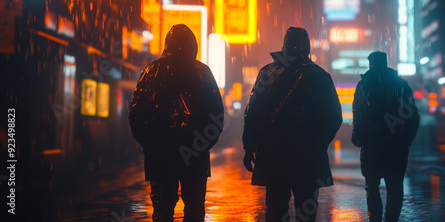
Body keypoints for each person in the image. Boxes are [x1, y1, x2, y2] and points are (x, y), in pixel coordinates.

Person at [243, 27, 343, 222]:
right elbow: (334, 117)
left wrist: (249, 147)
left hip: (274, 154)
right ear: (307, 47)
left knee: (275, 208)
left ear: (284, 45)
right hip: (308, 155)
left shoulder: (267, 73)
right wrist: (319, 143)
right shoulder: (320, 76)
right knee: (306, 208)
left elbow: (253, 112)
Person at [129, 24, 223, 222]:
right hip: (195, 155)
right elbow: (216, 115)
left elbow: (136, 114)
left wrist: (151, 145)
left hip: (160, 155)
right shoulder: (202, 72)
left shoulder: (151, 71)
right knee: (195, 208)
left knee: (162, 209)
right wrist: (201, 145)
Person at [351, 51, 420, 222]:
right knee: (395, 186)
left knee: (372, 186)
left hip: (372, 144)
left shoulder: (364, 84)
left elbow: (358, 113)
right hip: (396, 144)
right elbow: (413, 114)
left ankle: (375, 218)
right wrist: (406, 139)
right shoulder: (401, 85)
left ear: (371, 64)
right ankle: (391, 219)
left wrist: (359, 135)